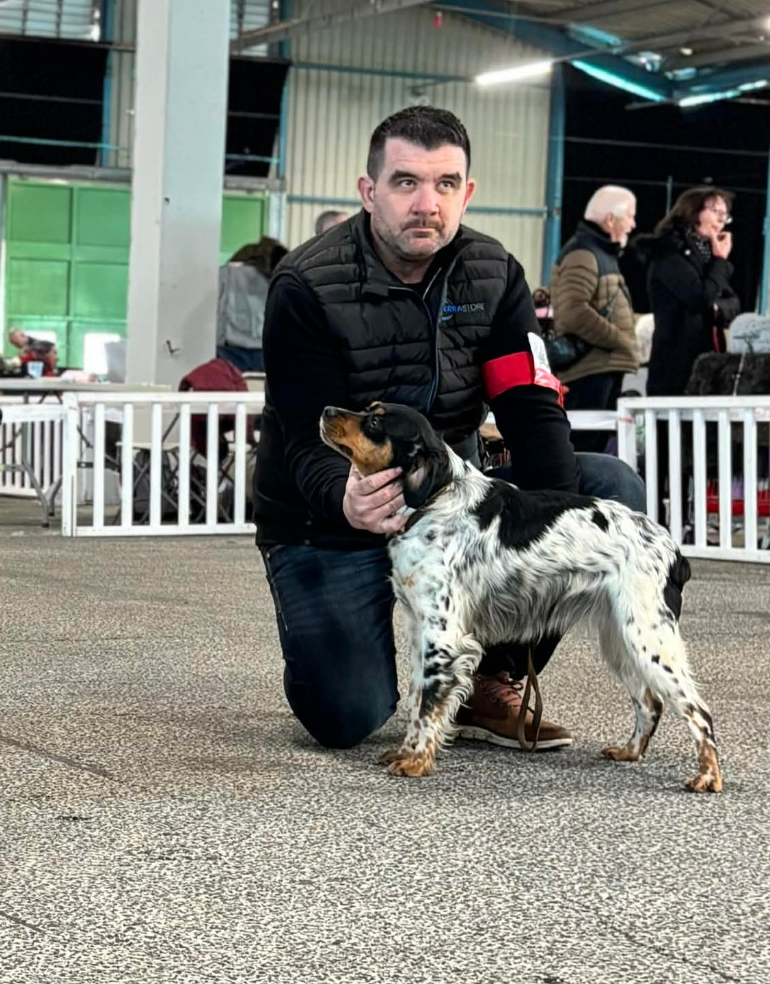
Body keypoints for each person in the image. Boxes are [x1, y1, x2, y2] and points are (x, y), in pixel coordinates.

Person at [253, 106, 646, 752]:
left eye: (444, 184)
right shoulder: (305, 284)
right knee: (347, 715)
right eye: (405, 182)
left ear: (467, 193)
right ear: (368, 190)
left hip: (447, 502)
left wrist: (552, 516)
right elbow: (303, 432)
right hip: (327, 512)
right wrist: (344, 498)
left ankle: (489, 674)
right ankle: (359, 642)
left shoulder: (494, 275)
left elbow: (530, 405)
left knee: (607, 489)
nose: (425, 203)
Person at [549, 185, 640, 452]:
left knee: (593, 448)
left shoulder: (596, 252)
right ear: (610, 219)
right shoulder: (584, 254)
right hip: (591, 372)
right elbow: (573, 313)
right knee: (585, 449)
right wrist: (620, 341)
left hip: (600, 368)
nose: (633, 225)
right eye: (630, 216)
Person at [641, 186, 739, 396]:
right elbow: (699, 296)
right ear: (692, 212)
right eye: (715, 211)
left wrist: (717, 308)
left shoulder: (708, 259)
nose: (721, 220)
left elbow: (733, 301)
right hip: (676, 365)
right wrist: (720, 261)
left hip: (710, 360)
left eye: (725, 215)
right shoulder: (669, 252)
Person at [216, 237, 288, 373]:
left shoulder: (227, 274)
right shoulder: (283, 277)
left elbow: (219, 313)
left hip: (231, 351)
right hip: (270, 352)